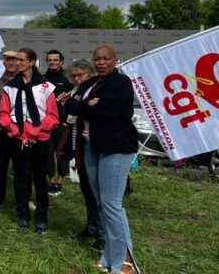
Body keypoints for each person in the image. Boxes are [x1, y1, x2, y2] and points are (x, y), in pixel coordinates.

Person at [63, 45, 140, 274]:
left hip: (115, 148)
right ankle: (109, 254)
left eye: (106, 59)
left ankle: (125, 260)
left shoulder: (121, 82)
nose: (101, 62)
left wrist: (84, 105)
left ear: (115, 60)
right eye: (97, 59)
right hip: (92, 147)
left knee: (112, 205)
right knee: (101, 203)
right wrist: (88, 104)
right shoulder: (90, 83)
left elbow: (108, 110)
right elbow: (71, 104)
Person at [0, 48, 59, 234]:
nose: (17, 63)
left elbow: (52, 117)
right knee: (20, 178)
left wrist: (33, 132)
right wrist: (16, 131)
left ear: (32, 62)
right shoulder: (9, 87)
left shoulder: (46, 87)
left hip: (39, 140)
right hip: (18, 139)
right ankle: (22, 214)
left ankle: (41, 217)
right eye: (15, 60)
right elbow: (3, 114)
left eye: (21, 60)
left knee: (40, 180)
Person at [57, 59, 102, 249]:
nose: (76, 79)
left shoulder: (96, 90)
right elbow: (70, 117)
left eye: (80, 75)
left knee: (97, 192)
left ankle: (102, 233)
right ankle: (91, 226)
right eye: (73, 76)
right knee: (87, 191)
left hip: (94, 146)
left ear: (90, 75)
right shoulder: (76, 92)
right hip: (78, 147)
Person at [0, 50, 20, 212]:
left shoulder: (24, 78)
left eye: (14, 60)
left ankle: (24, 197)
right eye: (8, 60)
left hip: (20, 128)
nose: (11, 63)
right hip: (0, 127)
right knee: (0, 164)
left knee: (22, 166)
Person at [44, 50, 73, 196]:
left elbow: (73, 99)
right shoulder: (42, 79)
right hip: (47, 122)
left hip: (62, 122)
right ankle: (51, 179)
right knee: (48, 152)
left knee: (61, 152)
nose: (52, 62)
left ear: (61, 62)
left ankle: (60, 180)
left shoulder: (68, 80)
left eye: (55, 60)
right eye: (50, 60)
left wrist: (67, 120)